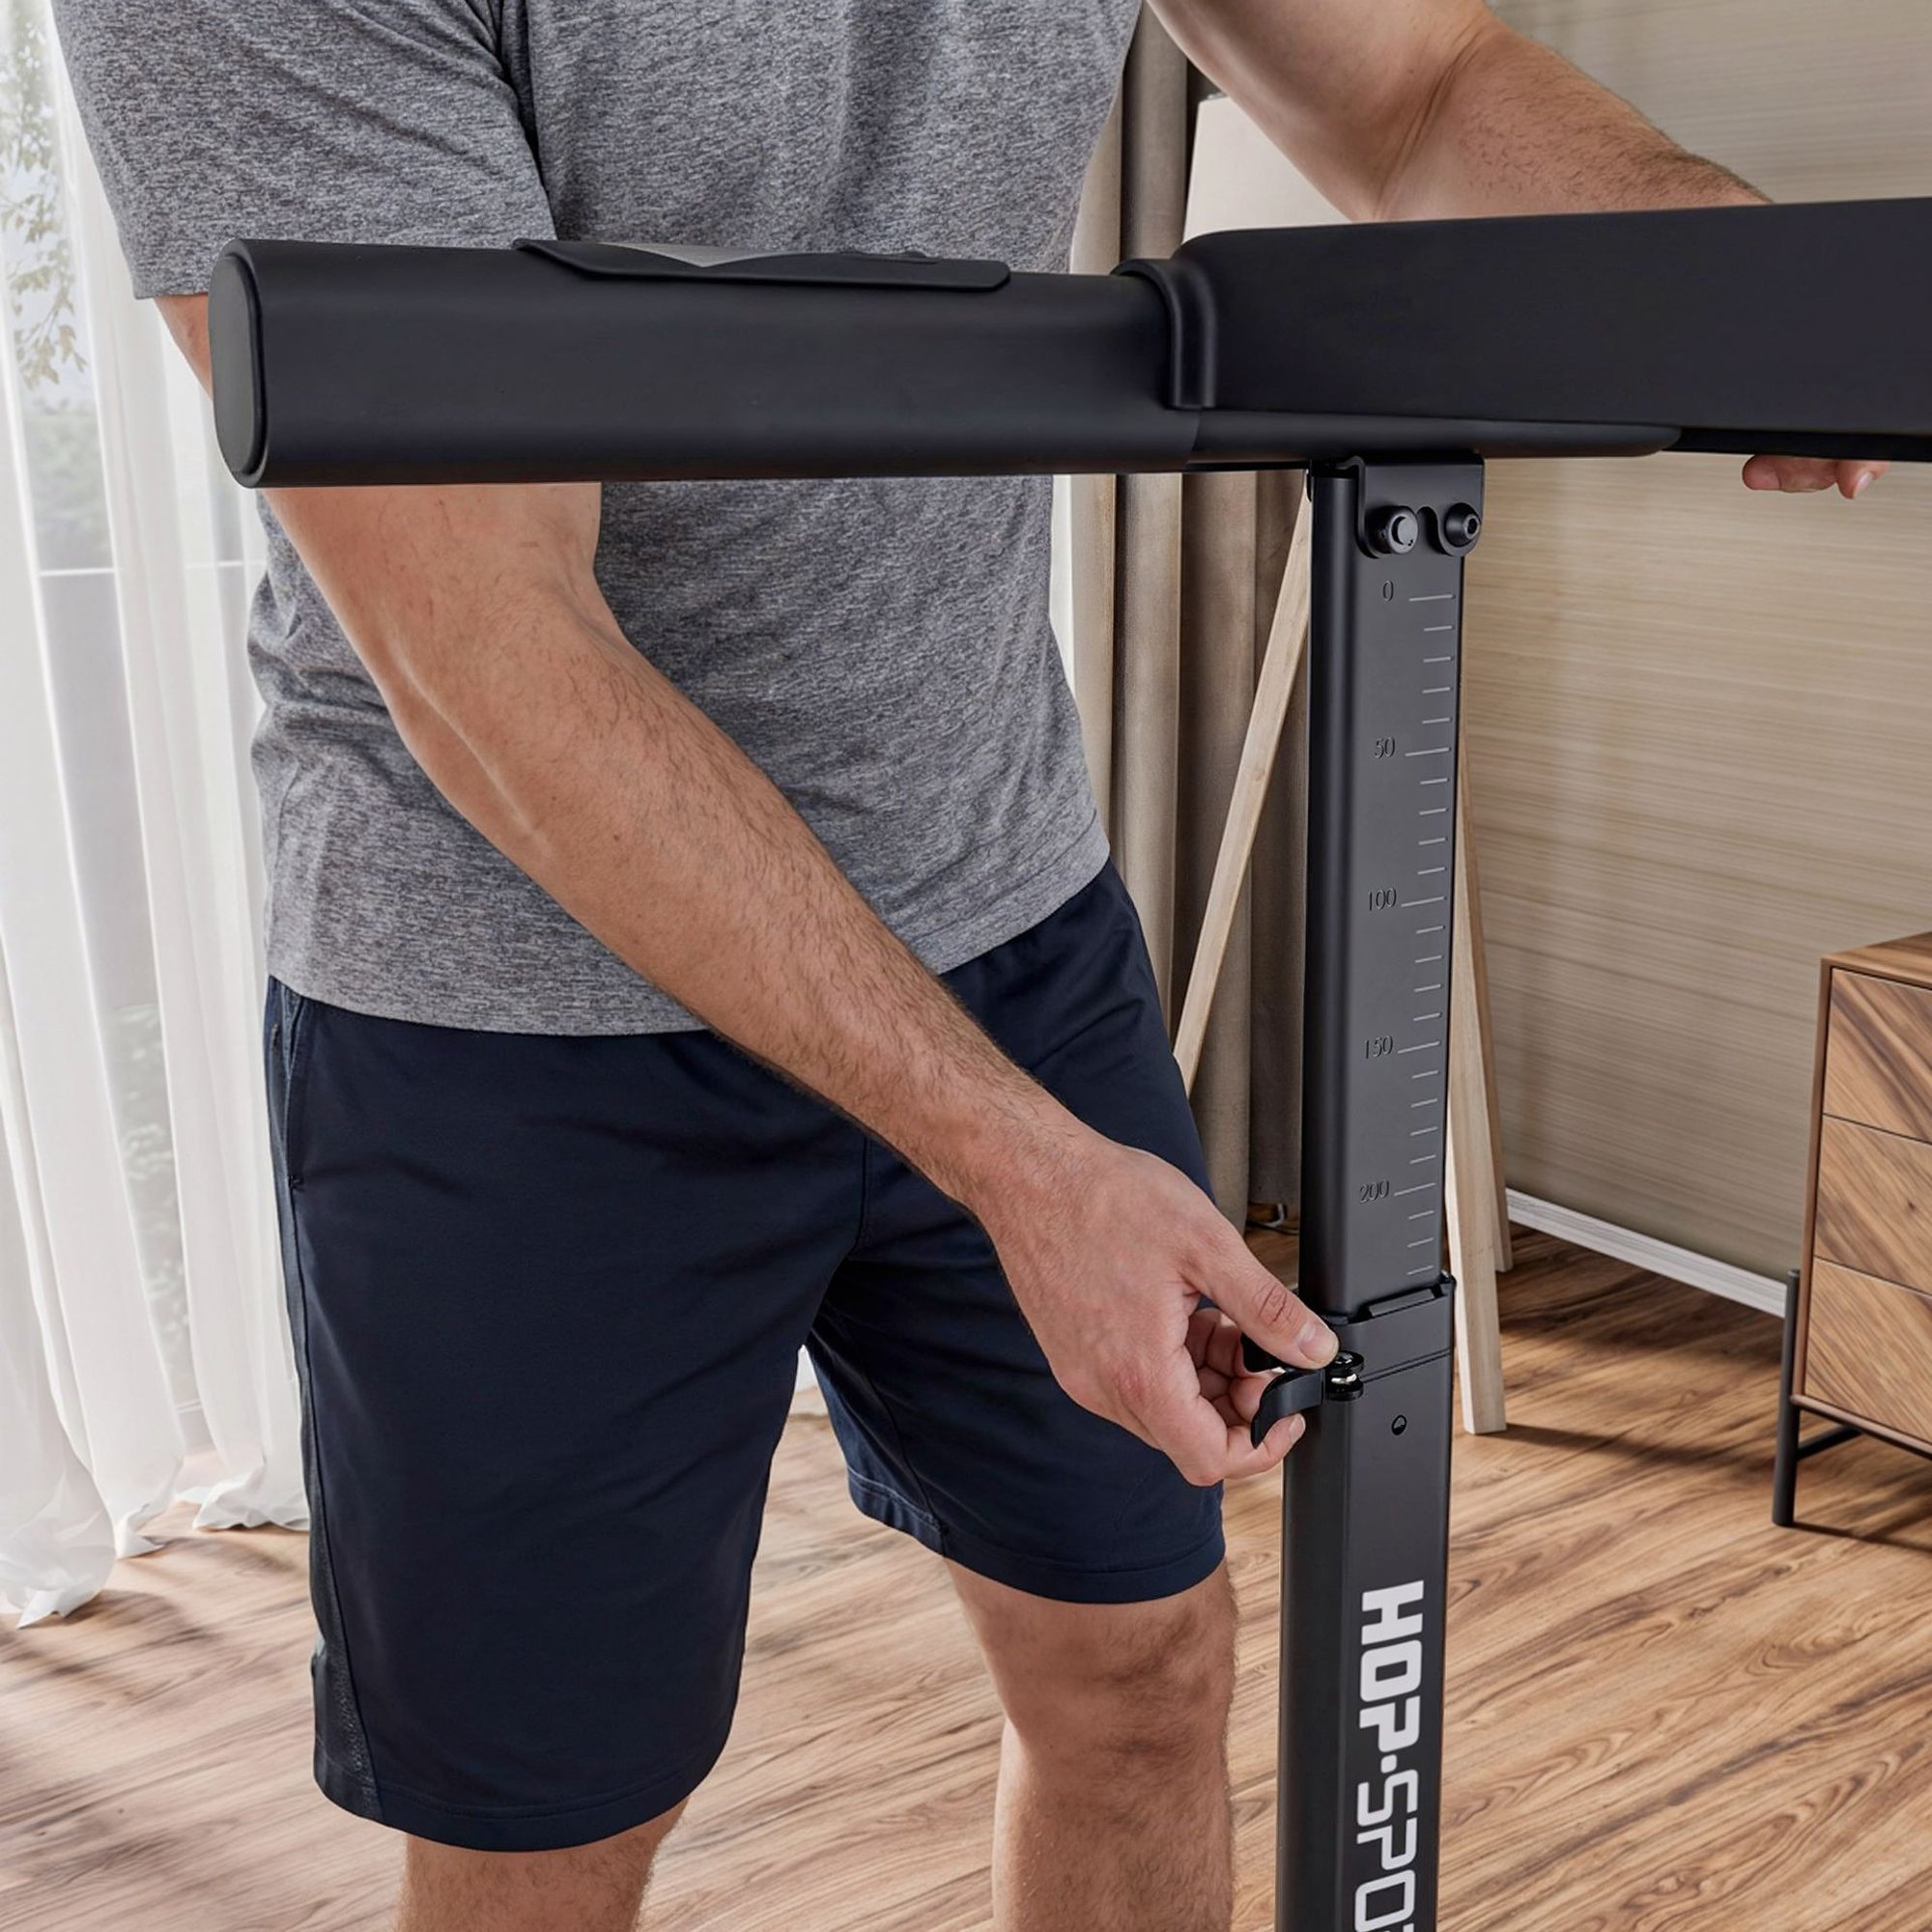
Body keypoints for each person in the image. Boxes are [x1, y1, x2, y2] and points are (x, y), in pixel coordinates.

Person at [53, 0, 1882, 1926]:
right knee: (550, 1832)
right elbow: (494, 650)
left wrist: (1728, 273)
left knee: (1143, 1669)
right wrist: (1012, 1159)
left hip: (995, 904)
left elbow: (1414, 82)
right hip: (512, 991)